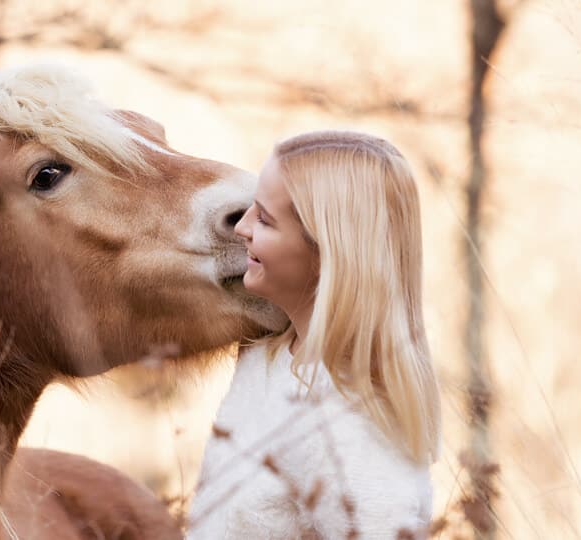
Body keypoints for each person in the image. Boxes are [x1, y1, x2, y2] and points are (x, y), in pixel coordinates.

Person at [187, 131, 441, 539]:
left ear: (326, 252)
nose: (243, 227)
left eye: (266, 219)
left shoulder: (351, 421)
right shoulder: (266, 352)